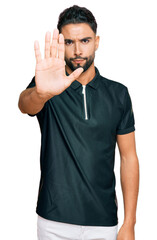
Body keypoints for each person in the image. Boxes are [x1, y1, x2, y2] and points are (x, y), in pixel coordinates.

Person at [18, 5, 139, 240]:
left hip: (103, 221)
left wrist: (130, 223)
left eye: (84, 41)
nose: (77, 51)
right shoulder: (48, 85)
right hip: (53, 220)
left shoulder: (118, 94)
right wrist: (42, 94)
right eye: (69, 42)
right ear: (61, 44)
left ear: (97, 41)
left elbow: (128, 157)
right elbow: (25, 105)